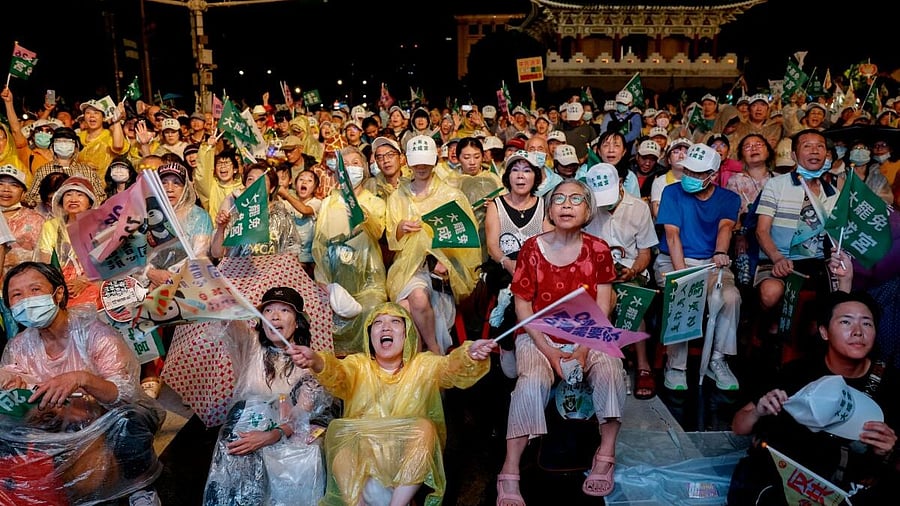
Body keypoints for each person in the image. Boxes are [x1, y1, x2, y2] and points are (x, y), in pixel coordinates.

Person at [287, 301, 497, 506]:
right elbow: (337, 372)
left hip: (404, 458)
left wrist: (470, 354)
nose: (385, 327)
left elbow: (450, 367)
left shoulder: (423, 365)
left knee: (424, 428)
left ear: (407, 334)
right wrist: (316, 360)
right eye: (377, 323)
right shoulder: (358, 364)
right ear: (369, 335)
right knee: (339, 435)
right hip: (363, 456)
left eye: (395, 322)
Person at [497, 178, 625, 503]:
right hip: (540, 333)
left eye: (576, 199)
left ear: (588, 209)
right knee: (531, 383)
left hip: (587, 332)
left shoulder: (598, 250)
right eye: (559, 199)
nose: (566, 205)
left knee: (611, 370)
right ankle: (510, 468)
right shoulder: (531, 249)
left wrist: (582, 349)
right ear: (550, 209)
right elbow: (523, 304)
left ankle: (605, 453)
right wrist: (550, 352)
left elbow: (604, 305)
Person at [0, 261, 164, 505]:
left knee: (129, 420)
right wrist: (9, 386)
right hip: (53, 423)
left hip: (105, 418)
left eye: (35, 290)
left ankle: (140, 488)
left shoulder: (94, 333)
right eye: (17, 295)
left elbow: (126, 394)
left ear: (58, 293)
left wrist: (82, 379)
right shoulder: (18, 347)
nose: (26, 301)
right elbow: (20, 401)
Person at [729, 282, 899, 505]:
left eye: (867, 324)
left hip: (851, 489)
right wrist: (759, 410)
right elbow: (739, 426)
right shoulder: (798, 372)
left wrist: (888, 452)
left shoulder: (891, 383)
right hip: (791, 482)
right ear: (824, 332)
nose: (858, 332)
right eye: (846, 322)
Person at [203, 287, 337, 505]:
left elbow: (302, 416)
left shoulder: (307, 362)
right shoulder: (250, 345)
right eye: (267, 311)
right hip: (244, 426)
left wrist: (270, 436)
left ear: (297, 322)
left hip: (282, 435)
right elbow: (226, 317)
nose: (274, 316)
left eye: (284, 310)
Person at [654, 143, 742, 391]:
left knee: (731, 296)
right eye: (688, 171)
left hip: (713, 262)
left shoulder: (729, 198)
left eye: (697, 174)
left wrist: (720, 252)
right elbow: (672, 236)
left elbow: (725, 228)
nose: (689, 177)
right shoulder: (672, 193)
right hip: (673, 259)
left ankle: (718, 359)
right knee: (684, 294)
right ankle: (676, 365)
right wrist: (683, 275)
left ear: (712, 176)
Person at [385, 135, 481, 354]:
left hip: (441, 273)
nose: (421, 167)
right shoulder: (397, 197)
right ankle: (428, 357)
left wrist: (445, 261)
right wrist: (401, 227)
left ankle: (426, 356)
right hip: (408, 268)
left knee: (413, 302)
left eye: (426, 162)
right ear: (407, 162)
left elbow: (466, 239)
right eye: (416, 162)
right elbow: (392, 239)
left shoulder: (451, 195)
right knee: (408, 305)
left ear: (435, 160)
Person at [754, 129, 839, 347]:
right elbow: (761, 230)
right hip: (778, 259)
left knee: (830, 308)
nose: (815, 151)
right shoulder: (777, 184)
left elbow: (836, 237)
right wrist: (777, 258)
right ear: (793, 155)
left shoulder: (832, 193)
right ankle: (762, 330)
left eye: (820, 146)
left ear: (827, 155)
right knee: (770, 293)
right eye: (807, 146)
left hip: (816, 265)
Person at [583, 162, 659, 399]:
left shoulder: (639, 208)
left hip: (630, 271)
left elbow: (646, 252)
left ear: (620, 184)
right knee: (595, 301)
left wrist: (633, 270)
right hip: (594, 274)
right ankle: (601, 364)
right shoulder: (588, 209)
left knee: (632, 300)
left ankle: (642, 365)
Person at [312, 146, 387, 355]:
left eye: (356, 163)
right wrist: (324, 283)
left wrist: (363, 214)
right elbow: (319, 245)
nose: (352, 168)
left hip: (367, 279)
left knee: (372, 310)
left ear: (364, 168)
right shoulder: (328, 202)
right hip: (334, 277)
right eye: (346, 165)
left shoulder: (376, 202)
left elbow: (379, 231)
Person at [211, 163, 302, 260]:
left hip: (273, 273)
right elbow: (217, 253)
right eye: (250, 179)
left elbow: (293, 250)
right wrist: (221, 228)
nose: (255, 184)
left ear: (271, 188)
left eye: (261, 180)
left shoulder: (282, 216)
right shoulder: (236, 215)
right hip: (240, 272)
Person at [37, 176, 102, 309]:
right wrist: (61, 285)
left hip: (96, 283)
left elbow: (108, 261)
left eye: (80, 195)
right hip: (61, 286)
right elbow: (45, 263)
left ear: (90, 202)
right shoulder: (51, 226)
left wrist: (83, 281)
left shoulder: (101, 226)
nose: (73, 199)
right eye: (68, 195)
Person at [24, 127, 107, 208]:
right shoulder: (43, 171)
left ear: (76, 147)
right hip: (50, 217)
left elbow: (101, 197)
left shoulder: (87, 171)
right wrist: (50, 200)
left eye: (68, 142)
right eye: (59, 141)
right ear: (52, 146)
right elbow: (30, 197)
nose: (64, 144)